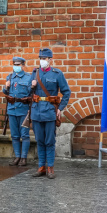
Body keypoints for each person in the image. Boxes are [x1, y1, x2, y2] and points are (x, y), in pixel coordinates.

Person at [29, 48, 70, 179]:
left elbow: (66, 92)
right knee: (39, 140)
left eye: (44, 58)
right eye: (40, 58)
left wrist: (60, 108)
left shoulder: (57, 74)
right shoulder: (35, 73)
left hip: (50, 111)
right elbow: (26, 93)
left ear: (50, 60)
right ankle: (41, 167)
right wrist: (31, 86)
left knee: (49, 141)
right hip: (36, 110)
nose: (42, 61)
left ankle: (50, 167)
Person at [2, 55, 34, 166]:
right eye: (14, 65)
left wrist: (33, 86)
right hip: (12, 110)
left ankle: (24, 158)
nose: (16, 66)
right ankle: (17, 157)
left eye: (18, 65)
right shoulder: (9, 77)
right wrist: (5, 87)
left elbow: (32, 93)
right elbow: (6, 93)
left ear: (23, 65)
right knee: (14, 135)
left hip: (24, 110)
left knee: (24, 134)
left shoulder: (28, 77)